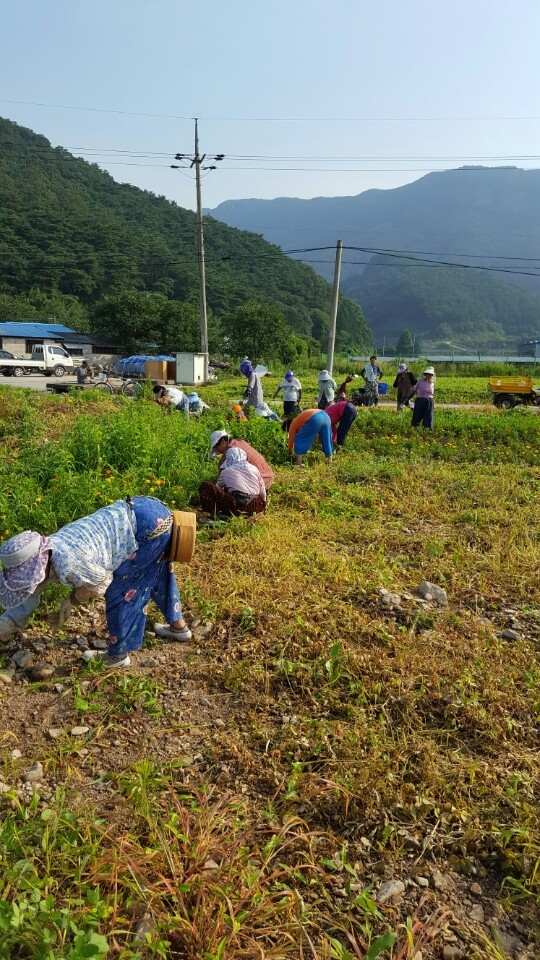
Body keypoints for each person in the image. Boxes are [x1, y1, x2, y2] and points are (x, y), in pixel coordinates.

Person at [0, 497, 192, 668]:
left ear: (39, 567)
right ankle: (179, 627)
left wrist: (71, 601)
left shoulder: (69, 563)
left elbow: (101, 580)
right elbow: (31, 591)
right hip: (144, 511)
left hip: (148, 529)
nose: (31, 585)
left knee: (122, 590)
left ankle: (118, 656)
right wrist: (8, 622)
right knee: (157, 573)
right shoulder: (49, 547)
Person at [199, 447, 267, 518]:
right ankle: (245, 515)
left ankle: (215, 514)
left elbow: (217, 489)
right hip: (255, 506)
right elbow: (262, 490)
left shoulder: (225, 472)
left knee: (205, 486)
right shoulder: (254, 469)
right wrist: (264, 504)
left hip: (237, 507)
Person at [207, 430, 274, 490]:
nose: (218, 449)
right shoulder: (241, 442)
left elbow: (222, 475)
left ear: (223, 441)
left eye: (217, 446)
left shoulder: (230, 451)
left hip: (260, 483)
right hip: (269, 476)